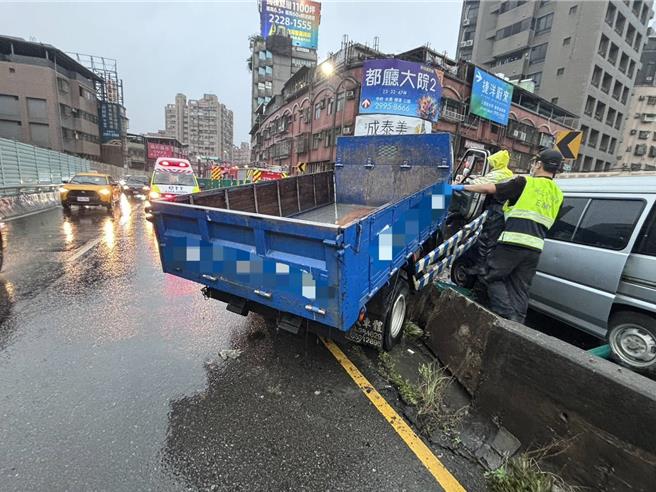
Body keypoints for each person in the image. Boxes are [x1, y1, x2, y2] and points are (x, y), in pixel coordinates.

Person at [451, 149, 564, 323]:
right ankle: (517, 325)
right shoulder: (558, 194)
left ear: (539, 164)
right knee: (520, 287)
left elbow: (490, 188)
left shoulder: (525, 182)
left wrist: (462, 186)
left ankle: (506, 316)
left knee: (489, 275)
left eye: (534, 162)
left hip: (513, 242)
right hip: (535, 248)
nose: (533, 166)